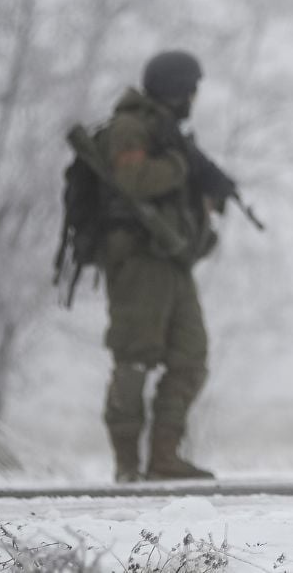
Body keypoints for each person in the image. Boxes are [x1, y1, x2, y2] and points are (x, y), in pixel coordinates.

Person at [98, 50, 224, 482]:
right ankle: (128, 466)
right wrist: (180, 165)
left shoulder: (170, 133)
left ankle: (164, 457)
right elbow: (132, 180)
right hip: (138, 260)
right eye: (190, 89)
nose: (193, 97)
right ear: (174, 88)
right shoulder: (131, 127)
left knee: (191, 356)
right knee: (135, 358)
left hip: (173, 262)